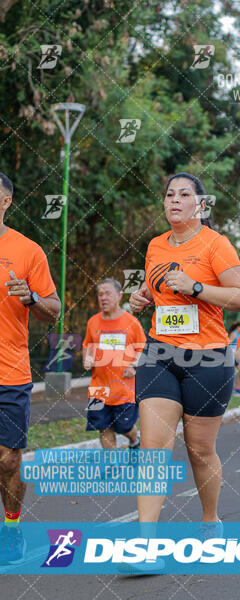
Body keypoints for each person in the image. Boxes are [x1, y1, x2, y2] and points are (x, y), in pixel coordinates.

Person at [129, 172, 240, 551]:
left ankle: (210, 519)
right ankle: (145, 544)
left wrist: (197, 287)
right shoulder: (155, 246)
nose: (175, 200)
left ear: (200, 204)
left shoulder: (216, 245)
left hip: (208, 359)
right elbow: (159, 286)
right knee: (153, 447)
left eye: (184, 194)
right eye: (169, 194)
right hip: (160, 354)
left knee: (199, 450)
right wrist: (142, 297)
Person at [0, 173, 61, 564]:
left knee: (7, 458)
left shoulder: (27, 250)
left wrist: (32, 297)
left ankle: (11, 527)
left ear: (5, 201)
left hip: (10, 370)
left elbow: (53, 311)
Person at [83, 278, 146, 449]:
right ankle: (111, 467)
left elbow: (143, 350)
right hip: (98, 387)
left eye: (107, 293)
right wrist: (87, 358)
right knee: (103, 428)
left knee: (123, 426)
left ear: (119, 296)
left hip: (124, 388)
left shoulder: (131, 323)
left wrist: (133, 365)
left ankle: (135, 440)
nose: (103, 297)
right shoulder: (93, 322)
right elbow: (88, 345)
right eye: (100, 294)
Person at [228, 321, 240, 394]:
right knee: (238, 371)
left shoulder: (238, 334)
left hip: (237, 354)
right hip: (233, 354)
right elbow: (228, 343)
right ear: (238, 327)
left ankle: (236, 388)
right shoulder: (234, 333)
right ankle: (234, 389)